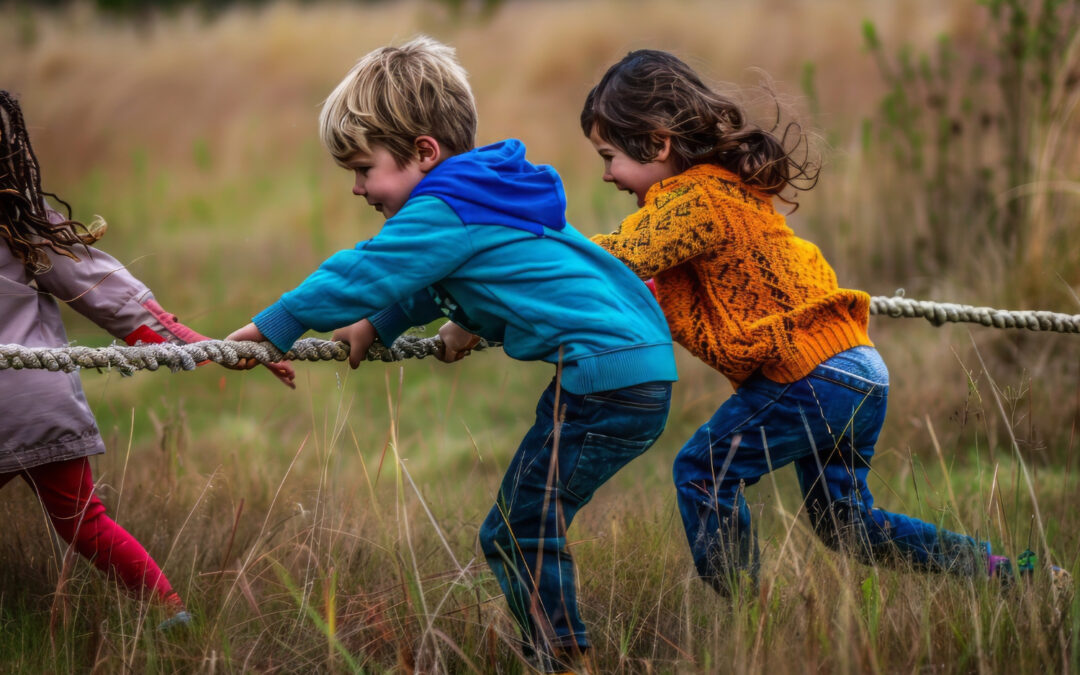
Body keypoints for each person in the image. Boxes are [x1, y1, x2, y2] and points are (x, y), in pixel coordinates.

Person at [225, 36, 676, 672]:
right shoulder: (485, 194)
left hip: (605, 379)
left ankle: (560, 659)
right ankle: (560, 651)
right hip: (631, 368)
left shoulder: (446, 205)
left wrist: (283, 321)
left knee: (517, 531)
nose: (357, 189)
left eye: (363, 168)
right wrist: (379, 324)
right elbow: (442, 278)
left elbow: (369, 268)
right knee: (524, 525)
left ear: (423, 153)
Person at [579, 50, 1015, 596]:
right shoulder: (728, 194)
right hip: (857, 369)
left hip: (812, 373)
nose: (606, 175)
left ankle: (747, 620)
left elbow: (612, 258)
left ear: (658, 143)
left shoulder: (696, 199)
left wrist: (523, 262)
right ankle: (1006, 574)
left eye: (609, 155)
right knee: (849, 526)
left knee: (702, 472)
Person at [0, 91, 285, 630]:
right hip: (37, 398)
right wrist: (201, 346)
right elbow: (106, 293)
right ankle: (170, 611)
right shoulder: (18, 218)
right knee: (86, 522)